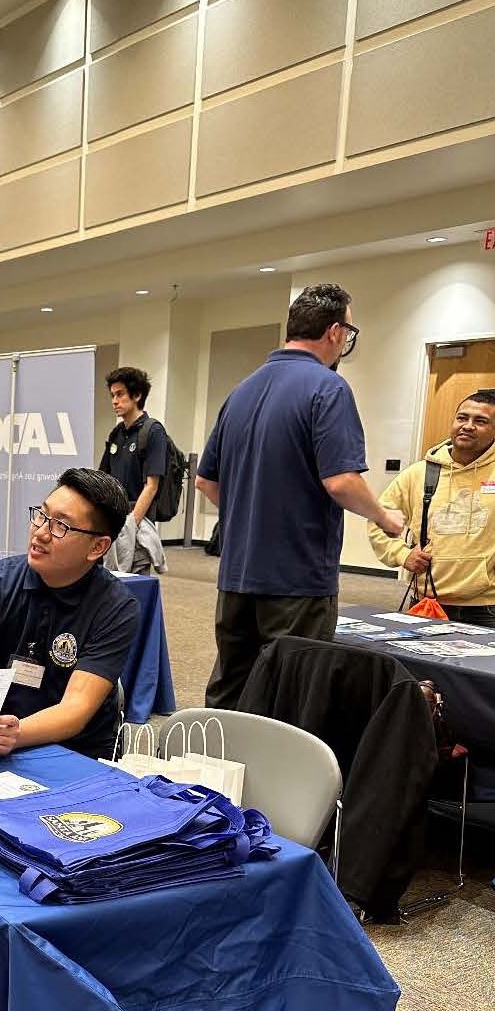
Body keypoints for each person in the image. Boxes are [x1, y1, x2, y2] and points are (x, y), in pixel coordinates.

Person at [195, 282, 408, 706]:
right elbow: (341, 481)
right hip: (297, 579)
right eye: (348, 331)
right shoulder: (328, 389)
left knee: (231, 686)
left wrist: (250, 517)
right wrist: (385, 517)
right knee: (292, 693)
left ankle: (212, 769)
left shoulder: (241, 391)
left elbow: (206, 482)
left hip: (237, 575)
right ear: (334, 332)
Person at [0, 467, 141, 761]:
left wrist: (16, 734)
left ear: (97, 547)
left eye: (60, 526)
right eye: (41, 514)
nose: (40, 532)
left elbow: (75, 709)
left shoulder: (116, 608)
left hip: (74, 753)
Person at [369, 391, 495, 626]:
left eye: (480, 421)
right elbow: (379, 519)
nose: (468, 426)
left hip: (487, 609)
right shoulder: (419, 473)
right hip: (427, 602)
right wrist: (402, 554)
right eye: (462, 418)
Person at [99, 365, 173, 575]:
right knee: (110, 582)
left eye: (120, 394)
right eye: (113, 395)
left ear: (137, 395)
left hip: (137, 521)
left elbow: (151, 486)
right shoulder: (116, 434)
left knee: (134, 585)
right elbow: (103, 479)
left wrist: (131, 524)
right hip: (115, 518)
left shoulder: (153, 431)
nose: (114, 400)